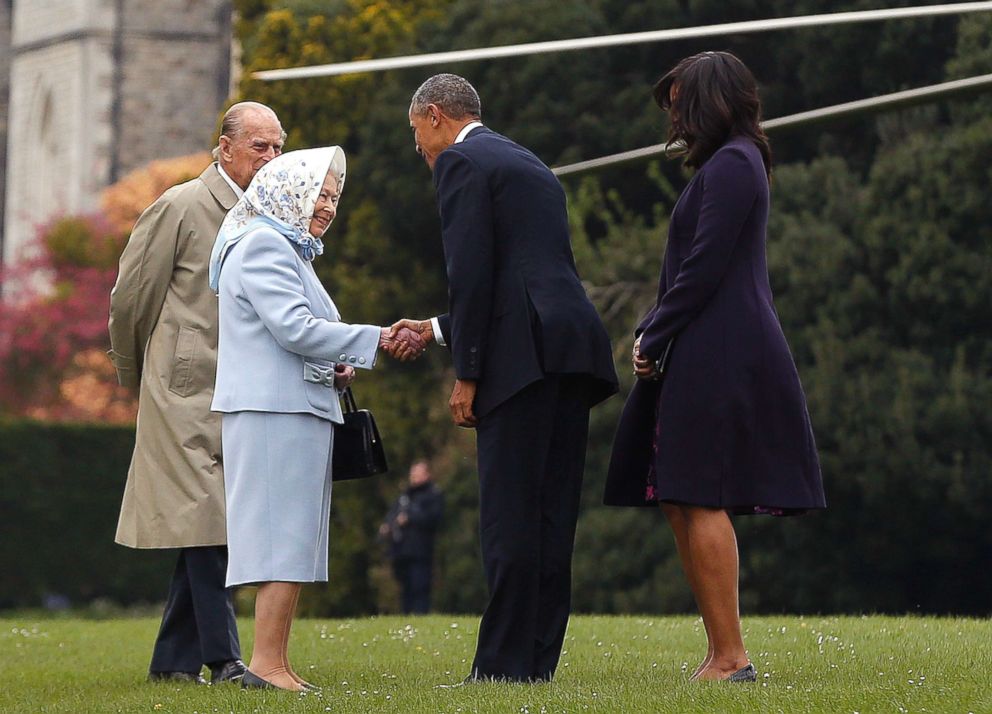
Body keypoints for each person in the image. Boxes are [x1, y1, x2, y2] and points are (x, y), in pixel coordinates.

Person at [604, 51, 826, 682]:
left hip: (722, 348)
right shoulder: (728, 166)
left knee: (699, 493)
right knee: (680, 494)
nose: (672, 114)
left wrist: (652, 330)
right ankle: (719, 653)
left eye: (678, 102)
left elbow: (704, 267)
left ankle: (731, 657)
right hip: (704, 344)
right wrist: (662, 329)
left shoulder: (734, 164)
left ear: (708, 100)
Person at [392, 73, 618, 684]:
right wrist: (440, 329)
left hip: (520, 364)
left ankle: (499, 668)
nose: (422, 152)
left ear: (436, 116)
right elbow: (525, 274)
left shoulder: (461, 163)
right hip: (570, 350)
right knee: (551, 515)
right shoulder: (529, 163)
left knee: (510, 518)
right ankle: (536, 661)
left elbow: (474, 275)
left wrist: (468, 373)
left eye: (418, 136)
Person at [209, 146, 424, 692]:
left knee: (294, 535)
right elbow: (294, 328)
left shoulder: (286, 248)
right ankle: (265, 664)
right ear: (288, 190)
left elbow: (290, 338)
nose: (327, 205)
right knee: (281, 534)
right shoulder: (263, 245)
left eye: (333, 196)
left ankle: (273, 662)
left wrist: (335, 366)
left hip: (291, 406)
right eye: (319, 194)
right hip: (272, 412)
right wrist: (375, 338)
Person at [108, 101, 285, 685]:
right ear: (225, 148)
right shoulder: (180, 206)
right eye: (260, 146)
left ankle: (172, 664)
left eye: (278, 147)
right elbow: (131, 300)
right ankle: (224, 657)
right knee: (211, 524)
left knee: (211, 523)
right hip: (183, 392)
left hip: (245, 389)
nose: (272, 157)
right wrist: (139, 379)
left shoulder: (272, 217)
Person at [379, 460, 444, 614]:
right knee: (405, 588)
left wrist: (410, 518)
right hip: (401, 550)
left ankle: (421, 616)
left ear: (427, 474)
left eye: (418, 473)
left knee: (420, 587)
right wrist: (387, 526)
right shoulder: (405, 496)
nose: (414, 477)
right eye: (413, 474)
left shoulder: (433, 494)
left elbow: (434, 518)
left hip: (421, 550)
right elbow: (393, 514)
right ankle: (406, 617)